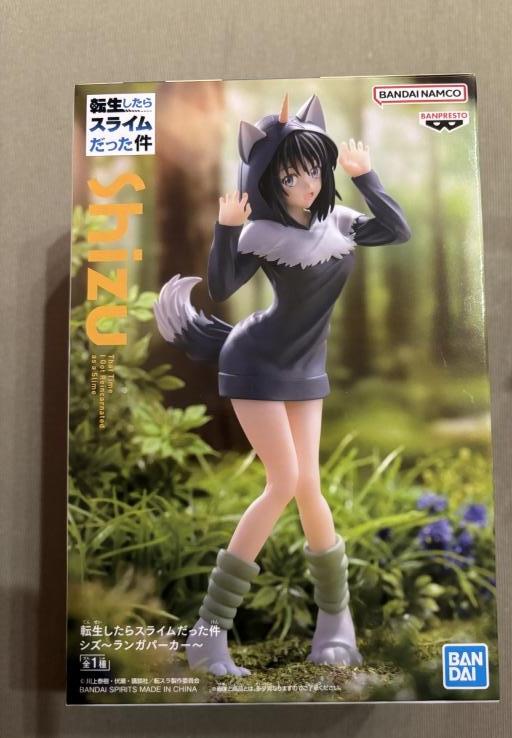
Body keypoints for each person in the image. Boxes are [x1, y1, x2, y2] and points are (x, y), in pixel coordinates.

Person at [154, 93, 411, 676]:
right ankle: (208, 633)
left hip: (305, 366)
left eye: (313, 170)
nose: (307, 184)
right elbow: (222, 285)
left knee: (309, 486)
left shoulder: (341, 224)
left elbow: (398, 231)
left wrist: (366, 176)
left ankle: (336, 622)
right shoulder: (261, 233)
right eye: (291, 175)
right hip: (256, 362)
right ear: (269, 181)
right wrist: (227, 229)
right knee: (283, 483)